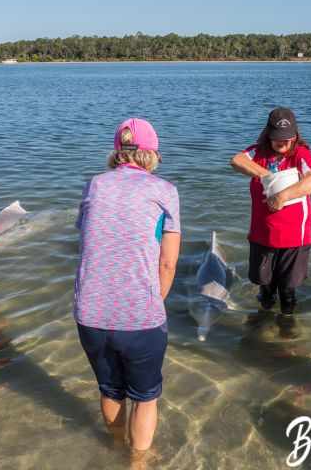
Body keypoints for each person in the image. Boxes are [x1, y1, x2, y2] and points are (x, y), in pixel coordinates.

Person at [74, 118, 180, 455]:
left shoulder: (94, 185)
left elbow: (90, 237)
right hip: (139, 316)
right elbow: (168, 263)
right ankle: (136, 463)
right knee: (145, 398)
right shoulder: (165, 191)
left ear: (118, 152)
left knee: (110, 391)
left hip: (90, 313)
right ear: (153, 155)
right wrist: (154, 304)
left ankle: (116, 446)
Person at [230, 107, 311, 338]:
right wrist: (268, 177)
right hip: (263, 235)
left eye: (288, 138)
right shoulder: (257, 152)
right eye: (277, 138)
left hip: (295, 237)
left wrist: (282, 196)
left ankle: (287, 329)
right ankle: (262, 323)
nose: (282, 143)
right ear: (268, 134)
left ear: (295, 135)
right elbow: (236, 160)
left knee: (288, 290)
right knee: (265, 286)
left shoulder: (300, 154)